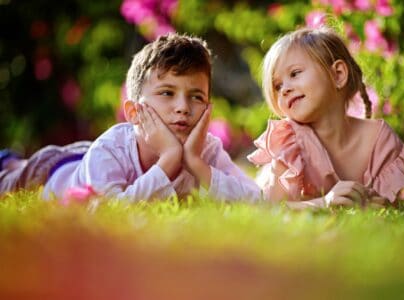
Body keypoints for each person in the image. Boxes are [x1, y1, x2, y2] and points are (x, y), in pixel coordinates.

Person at [0, 33, 261, 203]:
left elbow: (256, 200)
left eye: (196, 97)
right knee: (13, 177)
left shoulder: (205, 150)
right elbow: (112, 211)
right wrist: (169, 160)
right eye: (167, 92)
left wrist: (196, 164)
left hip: (88, 160)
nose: (183, 107)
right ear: (134, 112)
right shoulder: (110, 149)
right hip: (55, 171)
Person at [247, 27, 404, 209]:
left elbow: (389, 204)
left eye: (295, 73)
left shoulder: (378, 139)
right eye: (277, 86)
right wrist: (324, 203)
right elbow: (269, 208)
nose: (285, 89)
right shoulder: (290, 142)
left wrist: (374, 203)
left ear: (338, 74)